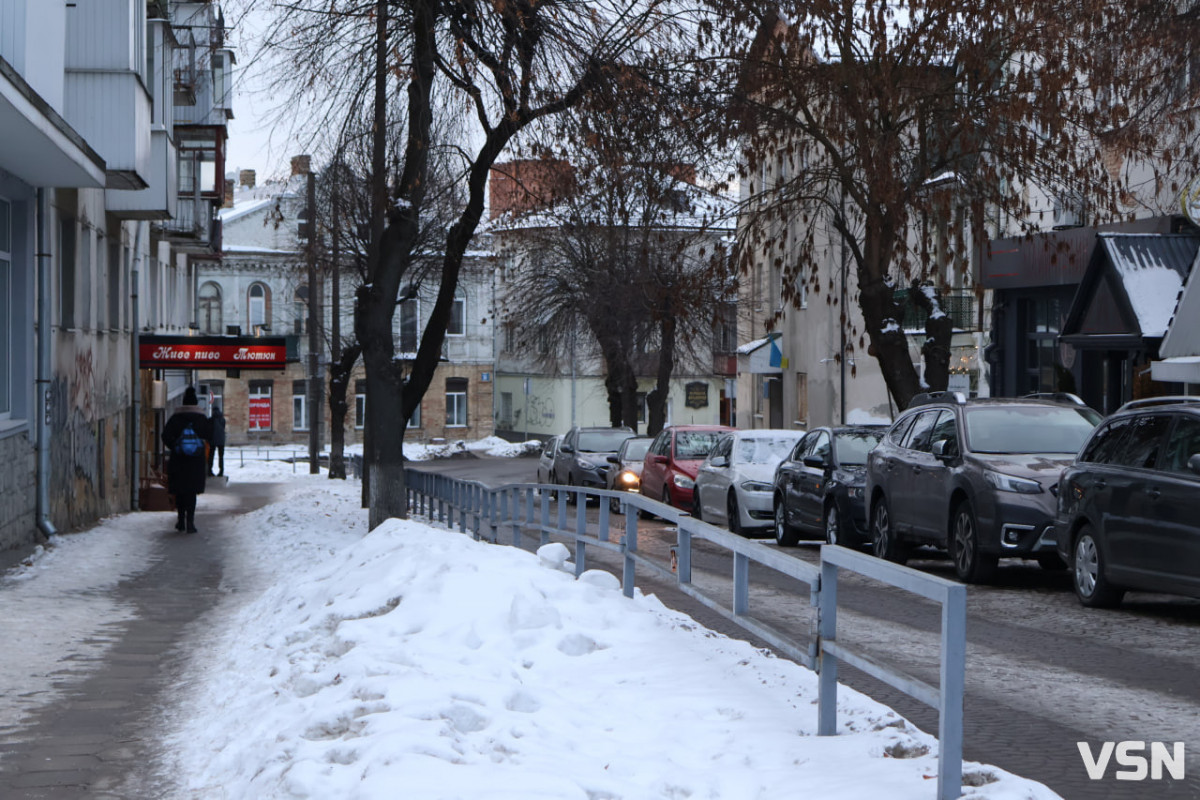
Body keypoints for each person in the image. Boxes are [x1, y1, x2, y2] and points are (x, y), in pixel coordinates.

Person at [162, 386, 212, 533]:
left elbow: (165, 435)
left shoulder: (176, 418)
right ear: (196, 403)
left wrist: (176, 446)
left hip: (179, 461)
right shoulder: (201, 418)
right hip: (195, 462)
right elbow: (210, 435)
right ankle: (190, 522)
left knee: (180, 491)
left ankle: (180, 520)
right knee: (191, 493)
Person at [207, 403, 226, 477]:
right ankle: (221, 471)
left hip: (213, 440)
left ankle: (209, 470)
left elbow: (209, 429)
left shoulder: (211, 420)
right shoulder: (223, 420)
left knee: (211, 455)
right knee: (221, 456)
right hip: (221, 440)